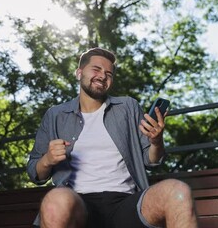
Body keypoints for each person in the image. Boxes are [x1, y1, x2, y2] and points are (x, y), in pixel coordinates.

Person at [27, 47, 197, 228]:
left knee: (178, 190)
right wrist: (47, 160)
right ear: (79, 73)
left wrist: (156, 141)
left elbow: (151, 160)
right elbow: (34, 172)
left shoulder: (127, 106)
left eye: (109, 73)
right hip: (78, 205)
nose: (102, 76)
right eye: (96, 69)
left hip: (125, 203)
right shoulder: (55, 115)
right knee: (56, 199)